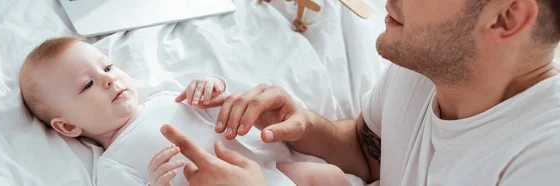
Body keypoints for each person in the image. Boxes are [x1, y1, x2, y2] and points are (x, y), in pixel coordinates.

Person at [157, 0, 560, 185]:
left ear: (506, 17)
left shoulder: (542, 161)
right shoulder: (422, 68)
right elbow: (372, 153)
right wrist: (303, 125)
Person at [18, 37, 351, 186]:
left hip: (270, 170)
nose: (107, 80)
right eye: (87, 85)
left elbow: (218, 106)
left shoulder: (167, 98)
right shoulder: (112, 164)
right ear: (67, 126)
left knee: (330, 177)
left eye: (107, 66)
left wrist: (211, 86)